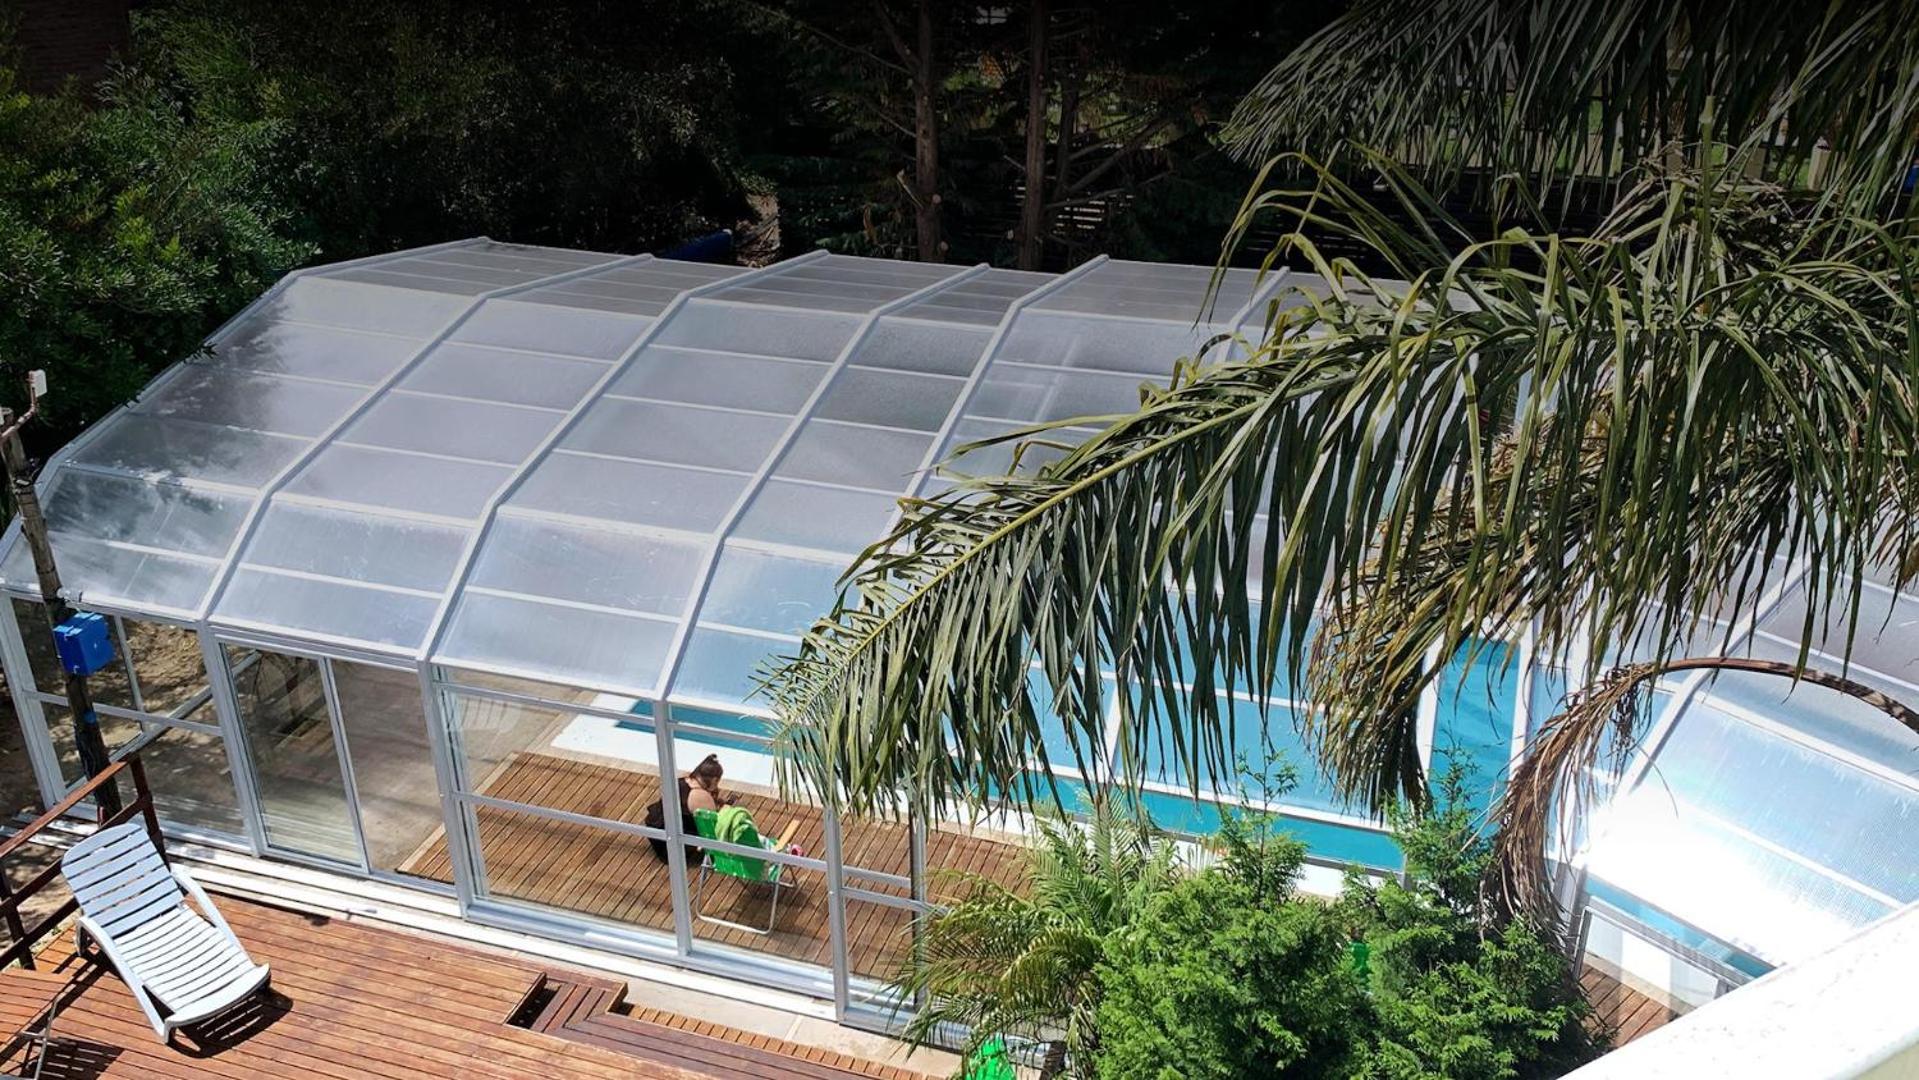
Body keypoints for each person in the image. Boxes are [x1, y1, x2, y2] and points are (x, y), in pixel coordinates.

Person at [645, 754, 735, 862]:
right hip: (673, 847)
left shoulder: (682, 781)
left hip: (659, 835)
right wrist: (726, 809)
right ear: (714, 780)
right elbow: (714, 825)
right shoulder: (699, 795)